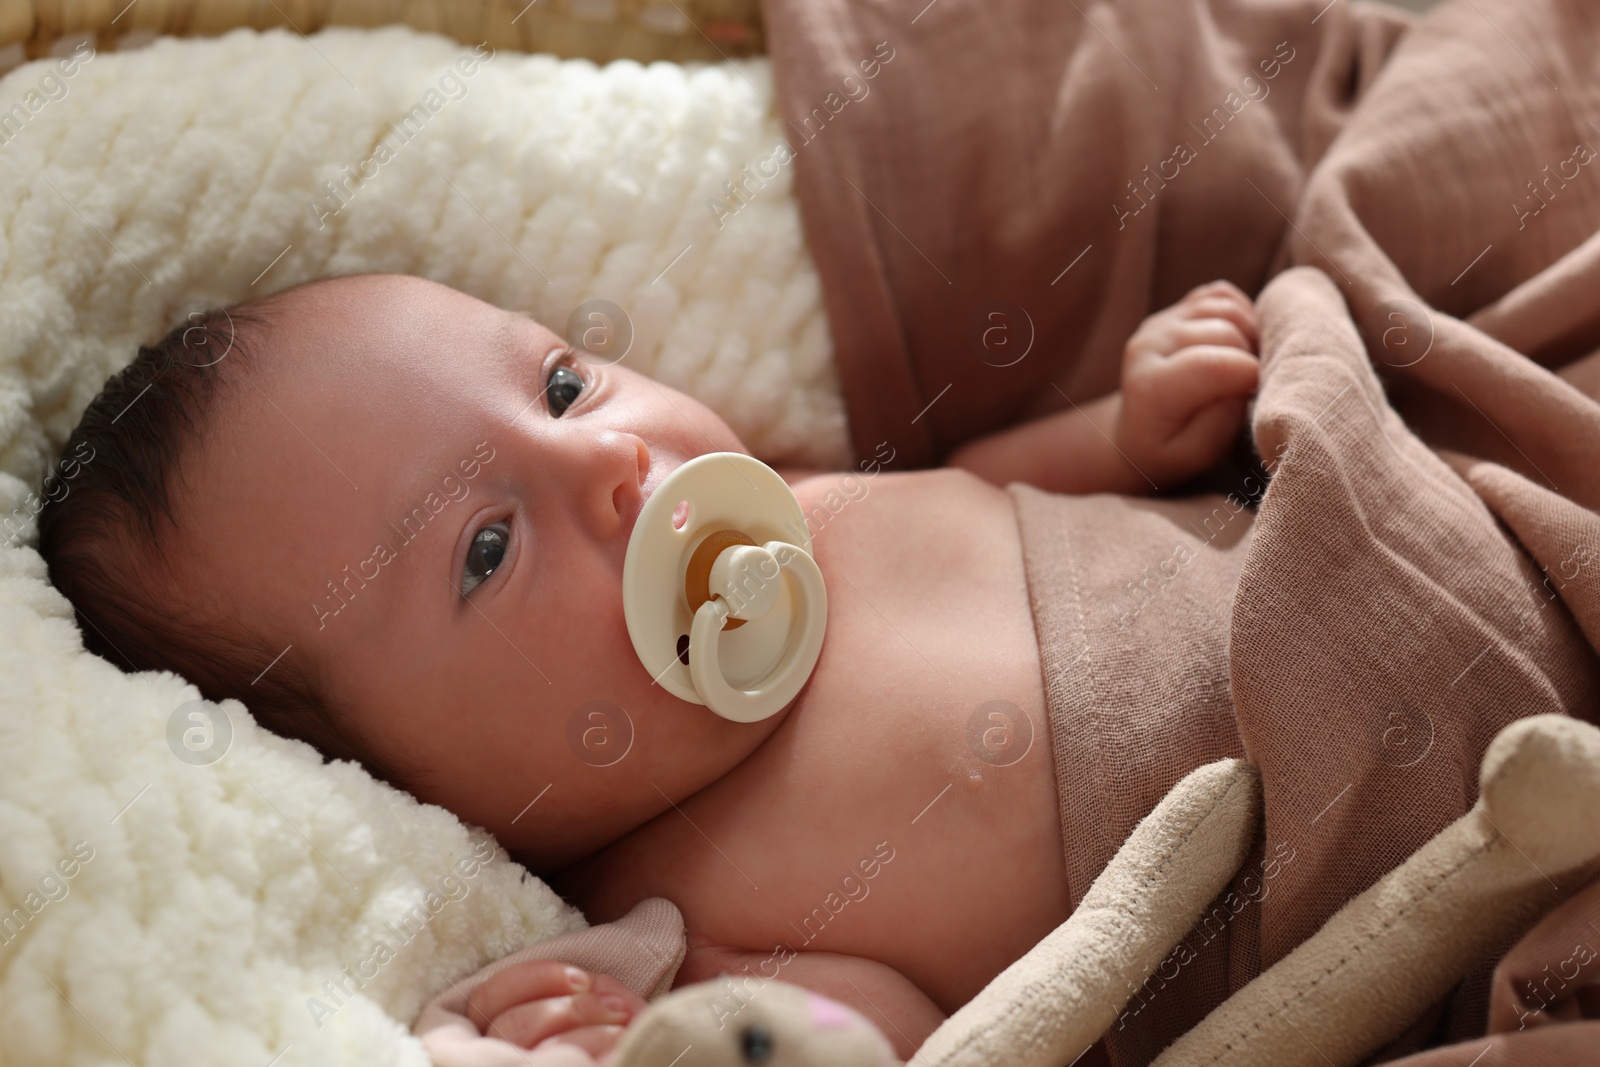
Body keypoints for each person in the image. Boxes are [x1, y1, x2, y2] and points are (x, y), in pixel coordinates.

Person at [37, 272, 1260, 1063]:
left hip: (1304, 554)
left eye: (563, 386)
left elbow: (981, 487)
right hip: (1327, 850)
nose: (609, 458)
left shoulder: (805, 500)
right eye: (488, 549)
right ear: (405, 788)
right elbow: (916, 1040)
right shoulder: (702, 902)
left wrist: (1122, 435)